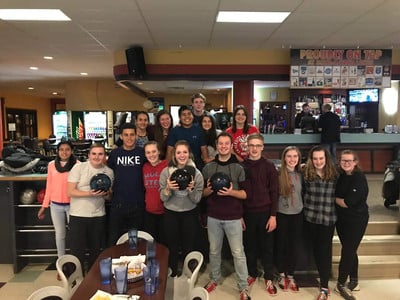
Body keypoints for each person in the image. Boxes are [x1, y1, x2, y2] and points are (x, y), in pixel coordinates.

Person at [202, 132, 251, 300]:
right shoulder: (208, 167)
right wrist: (209, 190)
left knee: (238, 253)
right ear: (217, 146)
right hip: (214, 216)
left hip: (233, 217)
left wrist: (231, 192)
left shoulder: (239, 168)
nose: (223, 146)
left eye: (226, 144)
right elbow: (202, 194)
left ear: (231, 146)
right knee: (214, 251)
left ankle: (243, 286)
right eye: (220, 144)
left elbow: (245, 194)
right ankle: (214, 279)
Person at [159, 140, 204, 277]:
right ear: (174, 155)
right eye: (179, 152)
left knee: (188, 246)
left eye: (185, 152)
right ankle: (172, 272)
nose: (182, 155)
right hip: (171, 213)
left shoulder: (196, 174)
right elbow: (162, 198)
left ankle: (187, 274)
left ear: (189, 154)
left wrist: (191, 190)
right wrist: (168, 189)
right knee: (172, 245)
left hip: (189, 213)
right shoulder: (166, 172)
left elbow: (197, 199)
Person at [241, 133, 279, 295]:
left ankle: (269, 276)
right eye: (251, 146)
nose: (254, 149)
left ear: (262, 147)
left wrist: (273, 215)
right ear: (247, 147)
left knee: (267, 247)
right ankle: (252, 273)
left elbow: (274, 192)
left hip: (265, 213)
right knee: (249, 246)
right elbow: (239, 193)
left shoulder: (269, 166)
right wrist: (240, 216)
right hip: (247, 213)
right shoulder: (241, 166)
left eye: (257, 146)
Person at [67, 143, 114, 271]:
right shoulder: (78, 168)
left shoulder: (109, 172)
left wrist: (106, 194)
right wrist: (89, 193)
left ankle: (93, 280)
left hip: (98, 216)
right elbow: (70, 192)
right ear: (89, 155)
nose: (97, 157)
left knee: (96, 251)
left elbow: (109, 197)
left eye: (100, 154)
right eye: (94, 154)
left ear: (104, 156)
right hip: (78, 215)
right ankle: (76, 281)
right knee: (77, 251)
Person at [37, 140, 79, 279]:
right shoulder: (51, 166)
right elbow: (49, 187)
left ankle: (74, 265)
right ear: (57, 151)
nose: (64, 152)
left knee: (74, 236)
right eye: (61, 149)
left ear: (72, 151)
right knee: (60, 236)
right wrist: (44, 206)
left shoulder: (78, 165)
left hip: (73, 205)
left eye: (67, 149)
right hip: (55, 205)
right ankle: (61, 266)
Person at [303, 145, 337, 300]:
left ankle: (324, 286)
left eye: (321, 158)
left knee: (325, 251)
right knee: (316, 250)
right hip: (311, 218)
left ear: (326, 158)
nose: (318, 162)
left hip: (328, 219)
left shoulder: (335, 174)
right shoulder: (306, 173)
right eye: (315, 159)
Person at [334, 150, 369, 300]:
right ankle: (354, 279)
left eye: (349, 161)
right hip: (342, 219)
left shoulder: (359, 178)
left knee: (348, 250)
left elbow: (348, 202)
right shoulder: (340, 175)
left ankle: (341, 283)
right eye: (343, 161)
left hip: (357, 220)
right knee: (350, 249)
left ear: (355, 162)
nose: (346, 163)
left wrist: (334, 199)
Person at [106, 123, 146, 246]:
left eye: (132, 135)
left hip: (137, 203)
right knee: (113, 237)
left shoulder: (142, 153)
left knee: (134, 240)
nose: (129, 138)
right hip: (118, 203)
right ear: (121, 137)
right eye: (126, 135)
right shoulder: (115, 154)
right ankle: (114, 262)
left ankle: (133, 264)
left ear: (136, 136)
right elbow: (108, 173)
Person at [275, 146, 303, 292]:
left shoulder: (302, 174)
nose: (292, 159)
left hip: (297, 214)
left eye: (295, 156)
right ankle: (281, 274)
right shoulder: (278, 174)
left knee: (293, 246)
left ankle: (291, 274)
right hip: (282, 214)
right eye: (289, 156)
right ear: (284, 158)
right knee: (281, 245)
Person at [166, 105, 210, 170]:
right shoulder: (174, 131)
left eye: (189, 114)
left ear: (192, 115)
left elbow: (204, 149)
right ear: (180, 117)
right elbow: (170, 150)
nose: (187, 117)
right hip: (178, 165)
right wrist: (168, 168)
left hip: (197, 165)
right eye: (184, 114)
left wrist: (207, 164)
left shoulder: (199, 129)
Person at [142, 141, 168, 243]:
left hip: (165, 211)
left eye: (154, 151)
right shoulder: (144, 167)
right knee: (151, 244)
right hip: (149, 212)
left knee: (164, 243)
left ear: (159, 152)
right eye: (148, 152)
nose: (151, 155)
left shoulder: (166, 165)